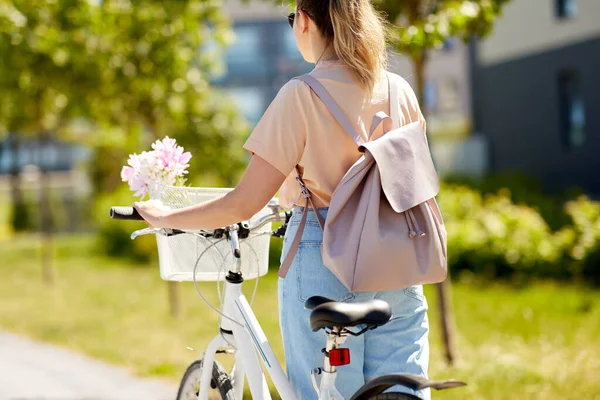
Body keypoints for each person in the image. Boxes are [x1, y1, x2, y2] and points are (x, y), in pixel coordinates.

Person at [135, 0, 430, 398]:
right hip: (400, 261)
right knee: (401, 392)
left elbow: (244, 203)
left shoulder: (301, 95)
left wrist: (166, 215)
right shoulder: (400, 91)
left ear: (304, 21)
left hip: (325, 255)